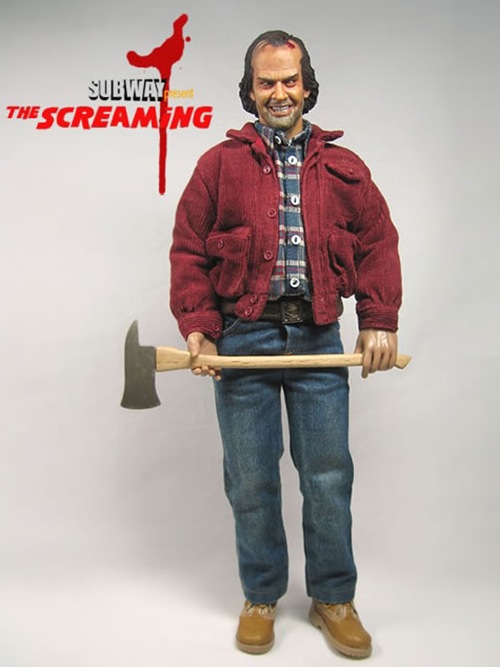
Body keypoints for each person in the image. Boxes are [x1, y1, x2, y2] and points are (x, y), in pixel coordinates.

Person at [169, 29, 402, 658]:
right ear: (249, 90)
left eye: (289, 80)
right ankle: (261, 595)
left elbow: (378, 242)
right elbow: (189, 249)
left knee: (327, 475)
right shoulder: (218, 167)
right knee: (250, 479)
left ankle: (334, 597)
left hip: (319, 336)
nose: (279, 92)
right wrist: (199, 326)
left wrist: (379, 318)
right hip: (242, 338)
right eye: (266, 81)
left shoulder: (344, 168)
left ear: (307, 85)